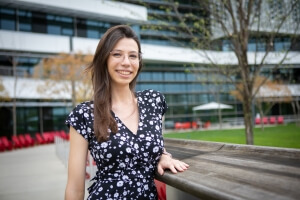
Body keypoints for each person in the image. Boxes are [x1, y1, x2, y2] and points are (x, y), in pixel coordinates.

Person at [65, 25, 189, 200]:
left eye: (133, 56)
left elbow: (150, 144)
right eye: (117, 54)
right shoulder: (84, 114)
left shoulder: (153, 102)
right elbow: (74, 189)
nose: (126, 62)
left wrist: (163, 156)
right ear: (104, 60)